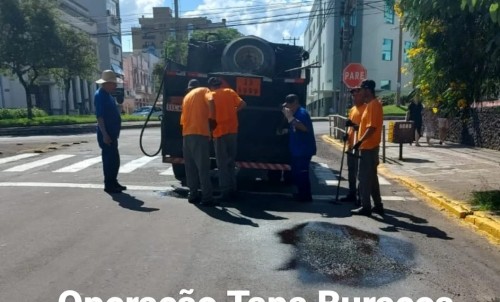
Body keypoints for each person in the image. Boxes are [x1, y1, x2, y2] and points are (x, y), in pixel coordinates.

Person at [207, 77, 246, 202]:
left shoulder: (210, 95)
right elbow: (243, 104)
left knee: (222, 163)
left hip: (219, 132)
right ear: (220, 84)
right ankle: (233, 189)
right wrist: (234, 110)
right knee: (231, 161)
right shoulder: (229, 92)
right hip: (232, 131)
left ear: (211, 86)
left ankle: (225, 192)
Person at [180, 79, 218, 207]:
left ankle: (193, 194)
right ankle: (207, 198)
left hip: (186, 135)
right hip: (199, 133)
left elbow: (183, 119)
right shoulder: (204, 90)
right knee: (203, 167)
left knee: (190, 167)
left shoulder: (186, 97)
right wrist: (212, 119)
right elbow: (211, 100)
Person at [351, 80, 384, 216]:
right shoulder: (371, 105)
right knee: (372, 178)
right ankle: (378, 205)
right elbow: (367, 126)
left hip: (368, 148)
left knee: (364, 178)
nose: (359, 92)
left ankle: (366, 207)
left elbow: (372, 128)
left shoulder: (373, 105)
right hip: (369, 147)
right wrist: (357, 128)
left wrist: (359, 141)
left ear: (368, 90)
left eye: (361, 89)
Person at [94, 70, 126, 194]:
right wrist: (105, 135)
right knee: (109, 160)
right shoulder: (100, 95)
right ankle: (109, 184)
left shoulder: (107, 95)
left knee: (114, 160)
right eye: (113, 83)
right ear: (106, 83)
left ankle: (113, 181)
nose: (115, 86)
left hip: (112, 134)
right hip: (106, 134)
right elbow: (100, 117)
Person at [282, 94, 317, 202]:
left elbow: (304, 128)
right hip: (297, 150)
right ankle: (300, 193)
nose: (289, 108)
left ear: (296, 103)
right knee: (297, 174)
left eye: (290, 106)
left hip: (303, 150)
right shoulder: (295, 112)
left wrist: (290, 118)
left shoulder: (301, 113)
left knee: (302, 174)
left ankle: (306, 196)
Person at [341, 87, 367, 203]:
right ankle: (351, 193)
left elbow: (365, 128)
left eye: (357, 95)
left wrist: (354, 125)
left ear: (362, 96)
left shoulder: (365, 109)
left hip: (360, 145)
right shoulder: (353, 110)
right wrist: (346, 135)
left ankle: (360, 196)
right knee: (351, 170)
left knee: (359, 172)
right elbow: (351, 127)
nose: (355, 98)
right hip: (351, 144)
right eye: (353, 96)